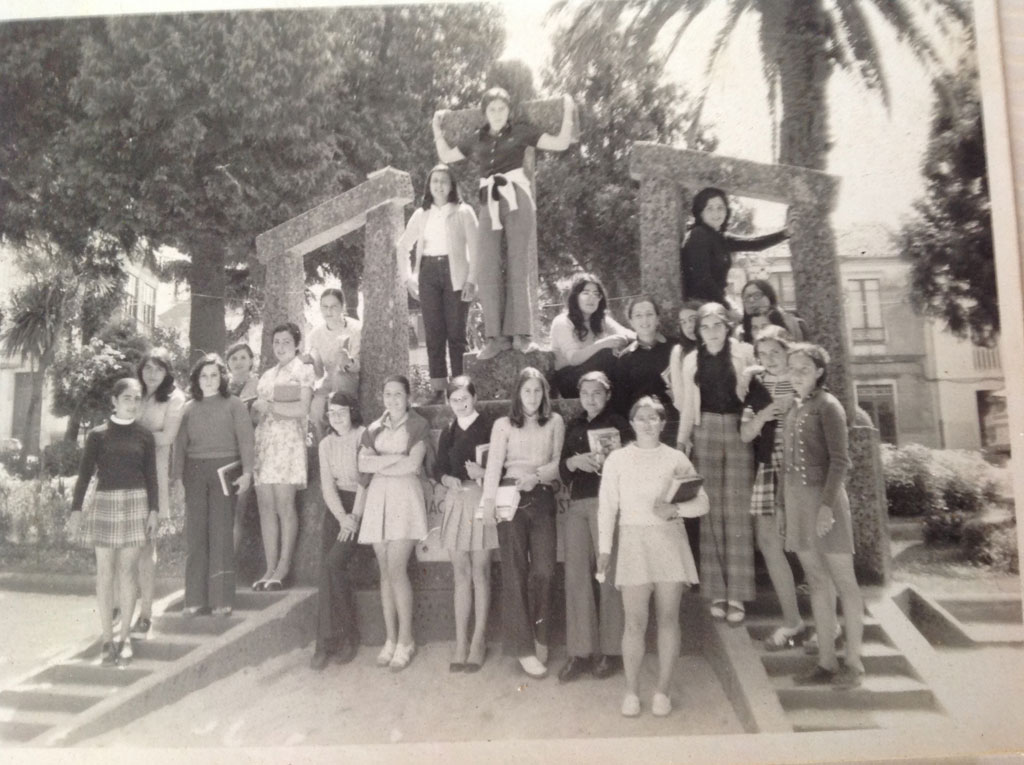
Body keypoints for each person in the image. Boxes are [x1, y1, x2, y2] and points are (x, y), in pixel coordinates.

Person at [433, 87, 576, 359]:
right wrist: (436, 129)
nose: (497, 113)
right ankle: (495, 338)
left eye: (502, 108)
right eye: (492, 109)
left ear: (508, 111)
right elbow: (447, 156)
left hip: (517, 197)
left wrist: (567, 110)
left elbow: (560, 142)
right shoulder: (477, 139)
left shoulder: (520, 132)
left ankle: (521, 334)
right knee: (486, 266)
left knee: (517, 264)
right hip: (489, 200)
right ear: (485, 113)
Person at [597, 396, 703, 718]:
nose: (646, 423)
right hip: (632, 541)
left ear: (662, 423)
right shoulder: (617, 459)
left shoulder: (676, 459)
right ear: (631, 423)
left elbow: (702, 504)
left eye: (653, 417)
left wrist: (675, 509)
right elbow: (607, 507)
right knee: (634, 622)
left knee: (669, 618)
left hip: (669, 541)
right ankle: (631, 692)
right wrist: (603, 549)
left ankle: (663, 692)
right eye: (640, 417)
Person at [783, 343, 865, 690]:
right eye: (792, 369)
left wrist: (827, 508)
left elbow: (840, 461)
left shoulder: (828, 406)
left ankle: (854, 662)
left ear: (819, 371)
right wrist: (788, 510)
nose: (796, 375)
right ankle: (826, 661)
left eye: (803, 369)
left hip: (824, 503)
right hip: (798, 503)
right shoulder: (794, 408)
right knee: (816, 580)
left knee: (844, 581)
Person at [673, 302, 756, 625]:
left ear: (727, 326)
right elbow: (685, 406)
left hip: (737, 430)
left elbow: (754, 392)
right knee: (708, 510)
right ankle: (717, 591)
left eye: (717, 325)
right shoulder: (691, 360)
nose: (711, 332)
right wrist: (681, 444)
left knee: (736, 513)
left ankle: (737, 594)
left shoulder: (744, 353)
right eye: (704, 327)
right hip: (703, 429)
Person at [479, 367, 565, 678]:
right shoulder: (503, 424)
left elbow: (557, 462)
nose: (532, 397)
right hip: (508, 498)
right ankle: (524, 648)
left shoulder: (554, 422)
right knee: (515, 570)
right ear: (518, 394)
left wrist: (537, 476)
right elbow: (494, 466)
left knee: (544, 569)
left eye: (537, 391)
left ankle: (541, 635)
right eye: (526, 391)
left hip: (540, 496)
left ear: (544, 394)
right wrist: (489, 502)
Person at [68, 378, 159, 667]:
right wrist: (76, 510)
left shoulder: (145, 436)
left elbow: (152, 477)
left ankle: (125, 639)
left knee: (128, 572)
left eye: (137, 398)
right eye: (128, 398)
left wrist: (154, 511)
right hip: (105, 503)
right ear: (115, 401)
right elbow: (83, 476)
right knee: (105, 572)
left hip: (136, 505)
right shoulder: (97, 435)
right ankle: (107, 640)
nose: (133, 403)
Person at [557, 371, 629, 683]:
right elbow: (562, 467)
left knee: (608, 575)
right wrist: (574, 463)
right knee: (576, 576)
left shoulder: (620, 423)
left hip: (607, 504)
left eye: (597, 392)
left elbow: (630, 464)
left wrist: (607, 461)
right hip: (577, 506)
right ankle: (580, 652)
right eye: (585, 393)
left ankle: (612, 651)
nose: (590, 398)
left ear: (607, 394)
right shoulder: (574, 425)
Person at [172, 354, 255, 616]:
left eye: (214, 375)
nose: (209, 380)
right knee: (196, 535)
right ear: (197, 379)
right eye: (204, 376)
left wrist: (248, 473)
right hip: (194, 473)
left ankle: (221, 599)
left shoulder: (234, 405)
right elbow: (180, 447)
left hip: (225, 471)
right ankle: (194, 598)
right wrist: (177, 480)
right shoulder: (188, 408)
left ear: (222, 378)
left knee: (221, 534)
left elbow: (246, 441)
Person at [357, 375, 431, 672]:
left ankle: (406, 639)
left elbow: (413, 464)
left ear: (408, 396)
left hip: (405, 500)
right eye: (388, 394)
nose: (392, 399)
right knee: (384, 572)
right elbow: (362, 464)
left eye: (398, 394)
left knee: (397, 568)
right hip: (378, 501)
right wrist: (393, 459)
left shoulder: (417, 425)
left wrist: (380, 462)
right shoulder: (373, 428)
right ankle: (390, 639)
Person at [739, 326, 805, 649]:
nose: (769, 360)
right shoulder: (756, 384)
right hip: (769, 465)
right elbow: (745, 434)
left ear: (787, 351)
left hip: (802, 466)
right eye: (762, 355)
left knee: (807, 544)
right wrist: (764, 414)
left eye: (775, 353)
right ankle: (792, 622)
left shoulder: (802, 378)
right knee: (768, 541)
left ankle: (828, 622)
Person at [397, 164, 479, 403]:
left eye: (444, 181)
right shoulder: (422, 214)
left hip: (456, 275)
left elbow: (476, 250)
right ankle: (438, 390)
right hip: (428, 274)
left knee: (456, 334)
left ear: (452, 185)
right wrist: (407, 278)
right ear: (429, 186)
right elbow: (403, 246)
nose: (439, 186)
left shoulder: (464, 212)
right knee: (433, 334)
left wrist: (471, 280)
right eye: (435, 181)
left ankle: (460, 390)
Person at [434, 375, 496, 672]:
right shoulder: (448, 431)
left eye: (464, 398)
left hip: (482, 500)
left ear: (474, 396)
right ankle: (461, 642)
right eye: (454, 400)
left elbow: (503, 464)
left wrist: (482, 471)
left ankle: (478, 642)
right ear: (448, 402)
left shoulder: (489, 426)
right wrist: (447, 478)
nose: (460, 404)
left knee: (480, 572)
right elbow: (438, 470)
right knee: (461, 574)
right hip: (457, 503)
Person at [251, 322, 315, 591]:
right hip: (264, 442)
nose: (280, 347)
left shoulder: (304, 371)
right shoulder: (266, 375)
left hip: (288, 443)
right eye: (276, 342)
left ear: (297, 344)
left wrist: (270, 406)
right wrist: (256, 409)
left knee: (284, 505)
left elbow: (302, 409)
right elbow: (257, 414)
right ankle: (269, 567)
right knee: (266, 507)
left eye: (286, 342)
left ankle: (284, 565)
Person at [310, 392, 367, 670]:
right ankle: (324, 643)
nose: (336, 417)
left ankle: (349, 636)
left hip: (362, 505)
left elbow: (366, 481)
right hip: (338, 510)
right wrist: (342, 517)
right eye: (331, 413)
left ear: (352, 411)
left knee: (334, 564)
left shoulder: (363, 436)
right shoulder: (325, 444)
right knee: (326, 568)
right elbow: (327, 486)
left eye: (341, 411)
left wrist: (354, 517)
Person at [133, 348, 186, 635]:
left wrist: (129, 433)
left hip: (153, 474)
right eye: (147, 368)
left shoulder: (175, 397)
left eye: (158, 369)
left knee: (146, 545)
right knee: (124, 545)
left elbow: (167, 437)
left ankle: (146, 611)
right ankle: (123, 604)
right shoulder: (134, 391)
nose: (152, 374)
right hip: (125, 474)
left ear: (167, 372)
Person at [679, 187, 788, 306]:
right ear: (700, 212)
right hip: (701, 306)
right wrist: (728, 307)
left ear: (726, 211)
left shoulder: (720, 237)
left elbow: (754, 244)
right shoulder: (698, 234)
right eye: (709, 208)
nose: (716, 213)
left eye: (720, 208)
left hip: (715, 302)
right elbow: (703, 280)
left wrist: (785, 233)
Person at [549, 273, 633, 399]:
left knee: (630, 352)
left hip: (596, 375)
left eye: (596, 294)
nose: (591, 298)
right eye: (586, 293)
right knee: (607, 354)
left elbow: (629, 334)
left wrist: (622, 343)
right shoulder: (562, 321)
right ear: (575, 296)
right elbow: (574, 358)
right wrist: (605, 343)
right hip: (569, 379)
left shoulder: (601, 319)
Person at [306, 289, 361, 441]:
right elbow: (318, 373)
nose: (328, 311)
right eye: (325, 307)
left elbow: (358, 365)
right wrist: (310, 362)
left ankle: (343, 440)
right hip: (329, 380)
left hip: (349, 377)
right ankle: (323, 445)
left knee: (338, 389)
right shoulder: (315, 334)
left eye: (334, 306)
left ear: (342, 307)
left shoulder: (355, 329)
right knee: (316, 409)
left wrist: (347, 361)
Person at [612, 295, 673, 420]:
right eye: (638, 315)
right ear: (631, 321)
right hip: (642, 422)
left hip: (673, 419)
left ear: (657, 318)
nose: (644, 320)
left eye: (649, 314)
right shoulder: (625, 358)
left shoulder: (675, 347)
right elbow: (621, 402)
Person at [226, 342, 258, 554]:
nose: (238, 362)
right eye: (234, 358)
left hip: (246, 455)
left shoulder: (259, 385)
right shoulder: (220, 386)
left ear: (251, 361)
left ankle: (230, 563)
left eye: (243, 357)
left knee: (237, 511)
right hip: (223, 454)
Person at [737, 279, 806, 343]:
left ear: (769, 297)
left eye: (757, 295)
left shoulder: (795, 324)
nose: (751, 300)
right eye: (746, 297)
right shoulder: (740, 332)